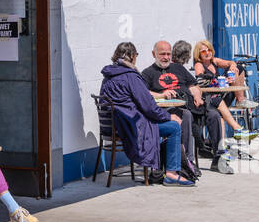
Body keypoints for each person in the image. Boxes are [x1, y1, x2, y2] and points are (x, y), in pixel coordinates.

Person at [98, 42, 192, 186]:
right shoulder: (130, 76)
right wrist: (168, 116)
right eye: (135, 55)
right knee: (173, 127)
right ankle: (171, 173)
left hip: (114, 127)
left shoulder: (108, 76)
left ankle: (157, 168)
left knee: (159, 123)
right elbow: (148, 106)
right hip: (130, 128)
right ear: (131, 56)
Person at [140, 41, 204, 178]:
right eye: (162, 54)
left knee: (187, 115)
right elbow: (143, 93)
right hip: (161, 111)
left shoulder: (178, 68)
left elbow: (193, 85)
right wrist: (161, 94)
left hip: (181, 108)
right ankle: (165, 164)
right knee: (180, 119)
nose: (166, 57)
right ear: (154, 54)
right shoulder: (148, 73)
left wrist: (197, 95)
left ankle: (187, 161)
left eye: (168, 54)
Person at [171, 40, 233, 173]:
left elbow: (195, 85)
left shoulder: (182, 70)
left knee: (214, 115)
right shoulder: (165, 70)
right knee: (191, 115)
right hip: (180, 108)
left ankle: (218, 158)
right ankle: (190, 158)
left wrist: (198, 96)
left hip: (194, 105)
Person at [189, 40, 257, 143]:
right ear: (199, 54)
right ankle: (230, 138)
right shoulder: (199, 65)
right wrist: (223, 81)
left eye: (209, 50)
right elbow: (201, 82)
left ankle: (240, 99)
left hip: (221, 95)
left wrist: (233, 66)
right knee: (218, 113)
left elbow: (230, 62)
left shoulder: (214, 61)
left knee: (238, 68)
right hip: (210, 98)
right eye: (203, 51)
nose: (207, 53)